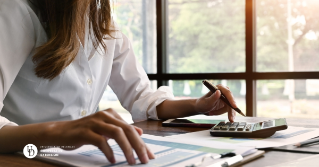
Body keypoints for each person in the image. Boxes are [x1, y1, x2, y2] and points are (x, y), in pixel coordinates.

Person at [0, 0, 238, 165]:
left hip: (86, 158)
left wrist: (197, 104)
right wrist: (60, 131)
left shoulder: (101, 22)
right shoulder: (15, 11)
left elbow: (141, 97)